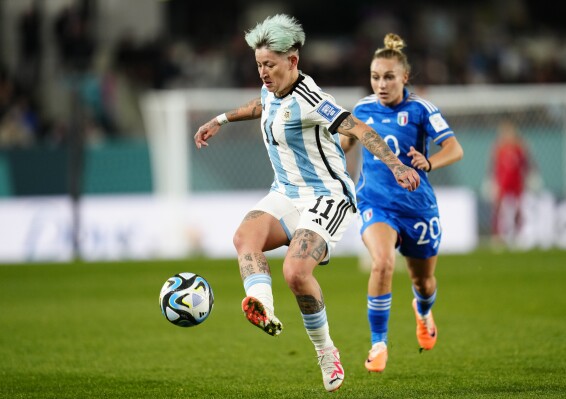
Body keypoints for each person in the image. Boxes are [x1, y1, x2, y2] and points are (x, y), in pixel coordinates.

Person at [193, 15, 420, 392]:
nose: (264, 72)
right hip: (285, 192)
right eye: (259, 65)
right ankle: (261, 305)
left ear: (293, 62)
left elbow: (359, 128)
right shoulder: (272, 88)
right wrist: (220, 119)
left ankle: (326, 351)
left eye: (270, 65)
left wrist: (396, 165)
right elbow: (262, 104)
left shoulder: (313, 100)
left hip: (327, 197)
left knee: (296, 273)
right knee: (243, 237)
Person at [341, 33, 464, 372]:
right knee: (382, 263)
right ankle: (378, 344)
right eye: (375, 76)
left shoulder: (422, 109)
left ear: (404, 77)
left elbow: (454, 149)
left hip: (417, 206)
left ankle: (423, 311)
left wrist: (429, 162)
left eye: (389, 77)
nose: (381, 84)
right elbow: (344, 145)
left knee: (423, 283)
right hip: (375, 203)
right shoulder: (363, 109)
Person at [486, 119, 538, 247]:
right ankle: (497, 236)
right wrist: (491, 181)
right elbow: (492, 166)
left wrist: (532, 176)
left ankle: (518, 233)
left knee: (519, 208)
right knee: (498, 209)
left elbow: (528, 163)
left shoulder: (520, 147)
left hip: (517, 182)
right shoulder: (498, 148)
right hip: (502, 182)